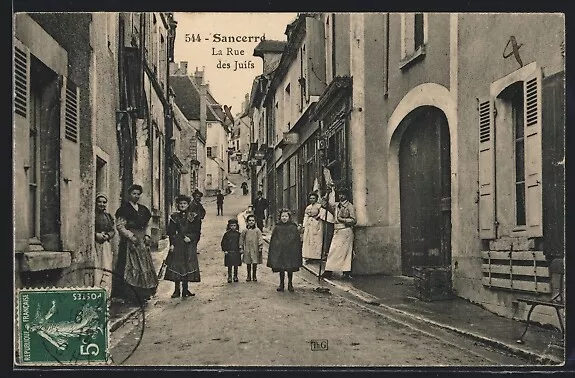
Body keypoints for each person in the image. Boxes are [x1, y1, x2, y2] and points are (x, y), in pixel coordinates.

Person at [114, 184, 159, 303]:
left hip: (142, 242)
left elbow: (148, 225)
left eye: (138, 194)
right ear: (129, 195)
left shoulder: (143, 209)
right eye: (134, 194)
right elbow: (120, 226)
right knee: (130, 266)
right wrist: (131, 236)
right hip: (130, 243)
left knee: (143, 266)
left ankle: (143, 294)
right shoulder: (124, 209)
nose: (136, 196)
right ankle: (129, 296)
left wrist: (148, 235)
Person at [164, 194, 201, 298]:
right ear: (178, 205)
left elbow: (197, 231)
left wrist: (191, 238)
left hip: (189, 244)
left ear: (188, 204)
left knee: (187, 265)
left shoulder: (194, 217)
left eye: (184, 203)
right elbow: (171, 232)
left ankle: (185, 289)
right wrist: (172, 244)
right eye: (180, 204)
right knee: (177, 266)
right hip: (178, 244)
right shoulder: (174, 217)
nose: (182, 205)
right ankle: (176, 290)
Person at [321, 187, 356, 280]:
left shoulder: (349, 206)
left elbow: (353, 220)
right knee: (333, 251)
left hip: (345, 231)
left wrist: (343, 220)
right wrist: (327, 193)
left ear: (347, 196)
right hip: (337, 231)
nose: (341, 196)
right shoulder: (336, 206)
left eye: (343, 194)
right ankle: (328, 270)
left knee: (346, 253)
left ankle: (346, 272)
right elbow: (324, 204)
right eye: (340, 194)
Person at [267, 209, 302, 292]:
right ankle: (281, 284)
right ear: (280, 217)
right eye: (283, 216)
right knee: (281, 268)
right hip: (281, 251)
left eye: (286, 216)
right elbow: (274, 240)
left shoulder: (293, 227)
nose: (284, 218)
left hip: (290, 251)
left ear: (289, 217)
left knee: (290, 268)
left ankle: (290, 284)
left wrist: (293, 247)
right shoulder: (277, 227)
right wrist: (278, 246)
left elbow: (296, 240)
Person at [94, 193, 115, 297]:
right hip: (95, 245)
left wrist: (108, 235)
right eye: (99, 202)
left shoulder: (108, 216)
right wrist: (96, 235)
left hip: (105, 245)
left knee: (106, 268)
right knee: (97, 269)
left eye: (104, 202)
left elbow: (112, 230)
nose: (102, 204)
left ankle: (106, 295)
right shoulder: (93, 215)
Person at [241, 214, 263, 282]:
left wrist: (260, 246)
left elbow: (260, 239)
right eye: (249, 220)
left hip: (255, 249)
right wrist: (241, 247)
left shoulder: (257, 230)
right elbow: (241, 239)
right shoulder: (245, 230)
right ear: (247, 222)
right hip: (247, 248)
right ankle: (248, 275)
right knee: (248, 262)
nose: (251, 222)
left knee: (254, 262)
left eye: (253, 221)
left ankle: (254, 275)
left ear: (255, 222)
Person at [301, 192, 323, 262]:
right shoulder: (308, 207)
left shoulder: (319, 206)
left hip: (317, 224)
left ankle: (317, 257)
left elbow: (322, 214)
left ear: (316, 199)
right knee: (308, 240)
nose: (312, 200)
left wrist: (317, 217)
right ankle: (309, 256)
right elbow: (306, 216)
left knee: (316, 240)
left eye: (313, 198)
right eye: (311, 198)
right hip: (309, 224)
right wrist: (304, 225)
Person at [221, 218, 242, 283]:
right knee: (229, 265)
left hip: (236, 251)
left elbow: (241, 242)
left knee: (236, 265)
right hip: (229, 252)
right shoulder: (226, 234)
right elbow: (223, 243)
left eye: (234, 225)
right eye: (231, 225)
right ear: (229, 226)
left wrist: (241, 249)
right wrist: (225, 250)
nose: (233, 227)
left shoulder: (239, 234)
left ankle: (235, 276)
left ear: (236, 226)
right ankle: (229, 276)